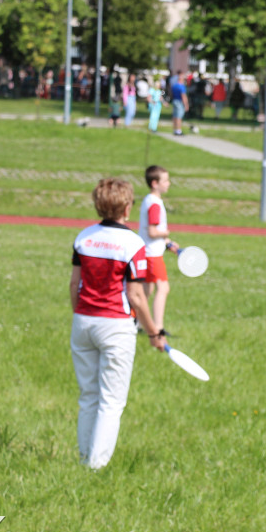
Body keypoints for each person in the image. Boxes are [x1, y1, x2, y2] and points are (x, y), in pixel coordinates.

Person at [70, 177, 167, 470]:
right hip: (116, 325)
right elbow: (136, 296)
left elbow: (75, 283)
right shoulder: (132, 243)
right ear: (127, 207)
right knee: (111, 400)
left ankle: (85, 457)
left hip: (83, 321)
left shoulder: (84, 237)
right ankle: (95, 467)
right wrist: (154, 332)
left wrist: (81, 315)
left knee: (88, 395)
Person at [138, 165, 179, 336]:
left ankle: (138, 324)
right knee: (163, 288)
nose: (169, 183)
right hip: (152, 255)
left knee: (147, 290)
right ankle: (158, 328)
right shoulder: (154, 204)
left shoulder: (149, 200)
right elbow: (153, 231)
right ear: (154, 183)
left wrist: (168, 242)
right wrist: (166, 233)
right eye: (166, 180)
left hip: (147, 251)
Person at [169, 71, 189, 136]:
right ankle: (178, 130)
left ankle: (175, 129)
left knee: (175, 116)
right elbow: (183, 96)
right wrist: (186, 104)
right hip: (180, 102)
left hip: (174, 101)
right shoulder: (182, 86)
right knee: (179, 117)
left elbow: (171, 94)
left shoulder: (174, 86)